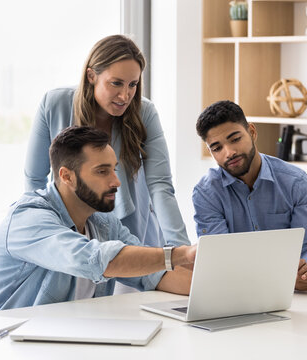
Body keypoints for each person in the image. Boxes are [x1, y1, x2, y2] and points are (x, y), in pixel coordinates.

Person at [0, 126, 195, 312]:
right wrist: (182, 253)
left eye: (114, 170)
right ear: (67, 176)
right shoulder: (28, 218)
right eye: (102, 171)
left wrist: (221, 292)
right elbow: (95, 259)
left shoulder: (104, 222)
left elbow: (154, 274)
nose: (116, 182)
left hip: (64, 340)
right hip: (1, 343)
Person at [24, 34, 189, 252]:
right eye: (116, 83)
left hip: (130, 229)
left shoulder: (145, 112)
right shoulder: (54, 104)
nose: (125, 95)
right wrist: (42, 232)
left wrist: (180, 248)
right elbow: (34, 179)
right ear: (91, 76)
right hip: (68, 229)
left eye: (133, 85)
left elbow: (160, 185)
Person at [192, 101, 307, 291]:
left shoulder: (295, 182)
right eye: (217, 148)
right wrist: (281, 276)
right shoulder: (206, 193)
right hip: (237, 293)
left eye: (235, 139)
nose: (229, 152)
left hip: (294, 295)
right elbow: (220, 260)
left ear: (252, 132)